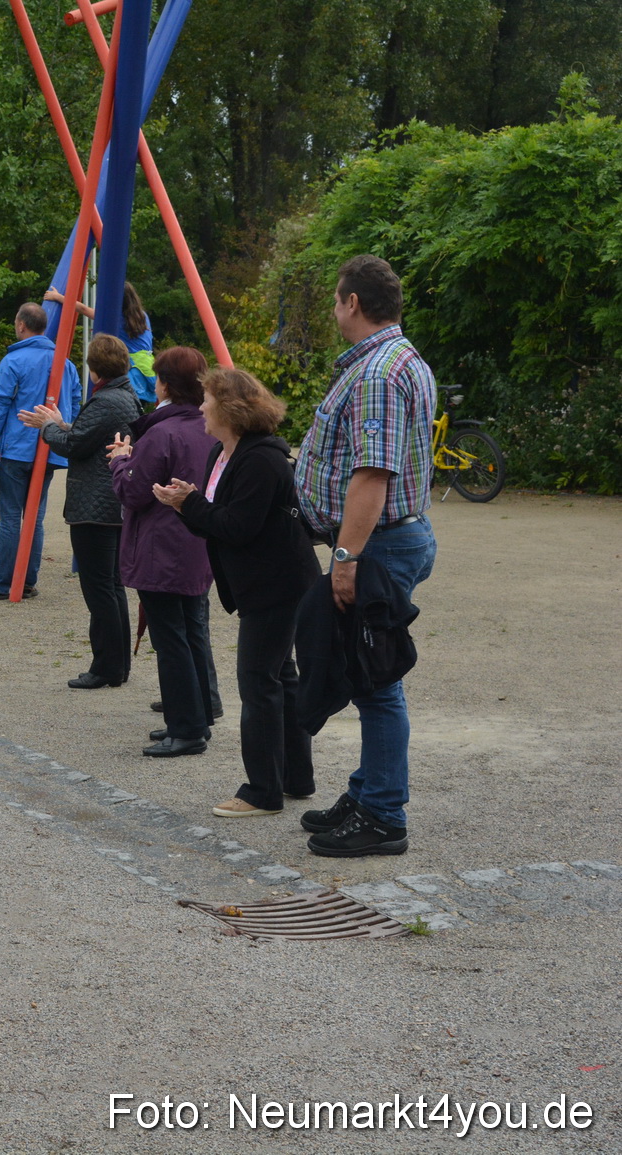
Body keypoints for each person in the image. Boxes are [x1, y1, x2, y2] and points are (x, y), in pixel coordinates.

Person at [292, 254, 437, 856]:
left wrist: (346, 557)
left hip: (376, 546)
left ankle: (383, 816)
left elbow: (372, 475)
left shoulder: (378, 372)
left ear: (353, 302)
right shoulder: (398, 360)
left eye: (335, 298)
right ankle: (369, 792)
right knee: (369, 671)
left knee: (377, 682)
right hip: (383, 540)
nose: (333, 308)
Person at [155, 368, 321, 815]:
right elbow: (218, 520)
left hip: (278, 584)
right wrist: (186, 503)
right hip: (262, 582)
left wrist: (190, 504)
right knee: (280, 677)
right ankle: (294, 777)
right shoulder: (222, 452)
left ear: (231, 408)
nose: (202, 406)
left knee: (258, 681)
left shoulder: (261, 459)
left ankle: (262, 791)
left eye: (208, 400)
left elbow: (237, 527)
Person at [107, 345, 219, 756]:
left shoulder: (162, 432)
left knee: (171, 639)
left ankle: (186, 728)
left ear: (165, 384)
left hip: (162, 547)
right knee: (190, 632)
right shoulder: (208, 427)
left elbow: (134, 492)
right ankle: (194, 717)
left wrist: (120, 460)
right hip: (197, 542)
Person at [21, 332, 140, 688]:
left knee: (99, 588)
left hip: (95, 507)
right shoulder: (124, 396)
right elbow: (91, 434)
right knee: (112, 586)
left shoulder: (104, 401)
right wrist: (60, 423)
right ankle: (117, 666)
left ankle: (105, 666)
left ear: (94, 369)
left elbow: (74, 445)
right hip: (112, 504)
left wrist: (48, 429)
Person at [0, 301, 79, 600]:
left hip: (17, 449)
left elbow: (2, 403)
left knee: (10, 517)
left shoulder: (14, 361)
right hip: (51, 446)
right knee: (35, 516)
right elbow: (77, 402)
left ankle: (3, 582)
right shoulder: (64, 362)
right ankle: (27, 580)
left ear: (20, 325)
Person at [44, 281, 155, 403]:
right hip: (146, 368)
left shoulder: (116, 319)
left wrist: (58, 297)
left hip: (131, 370)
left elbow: (83, 309)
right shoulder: (142, 317)